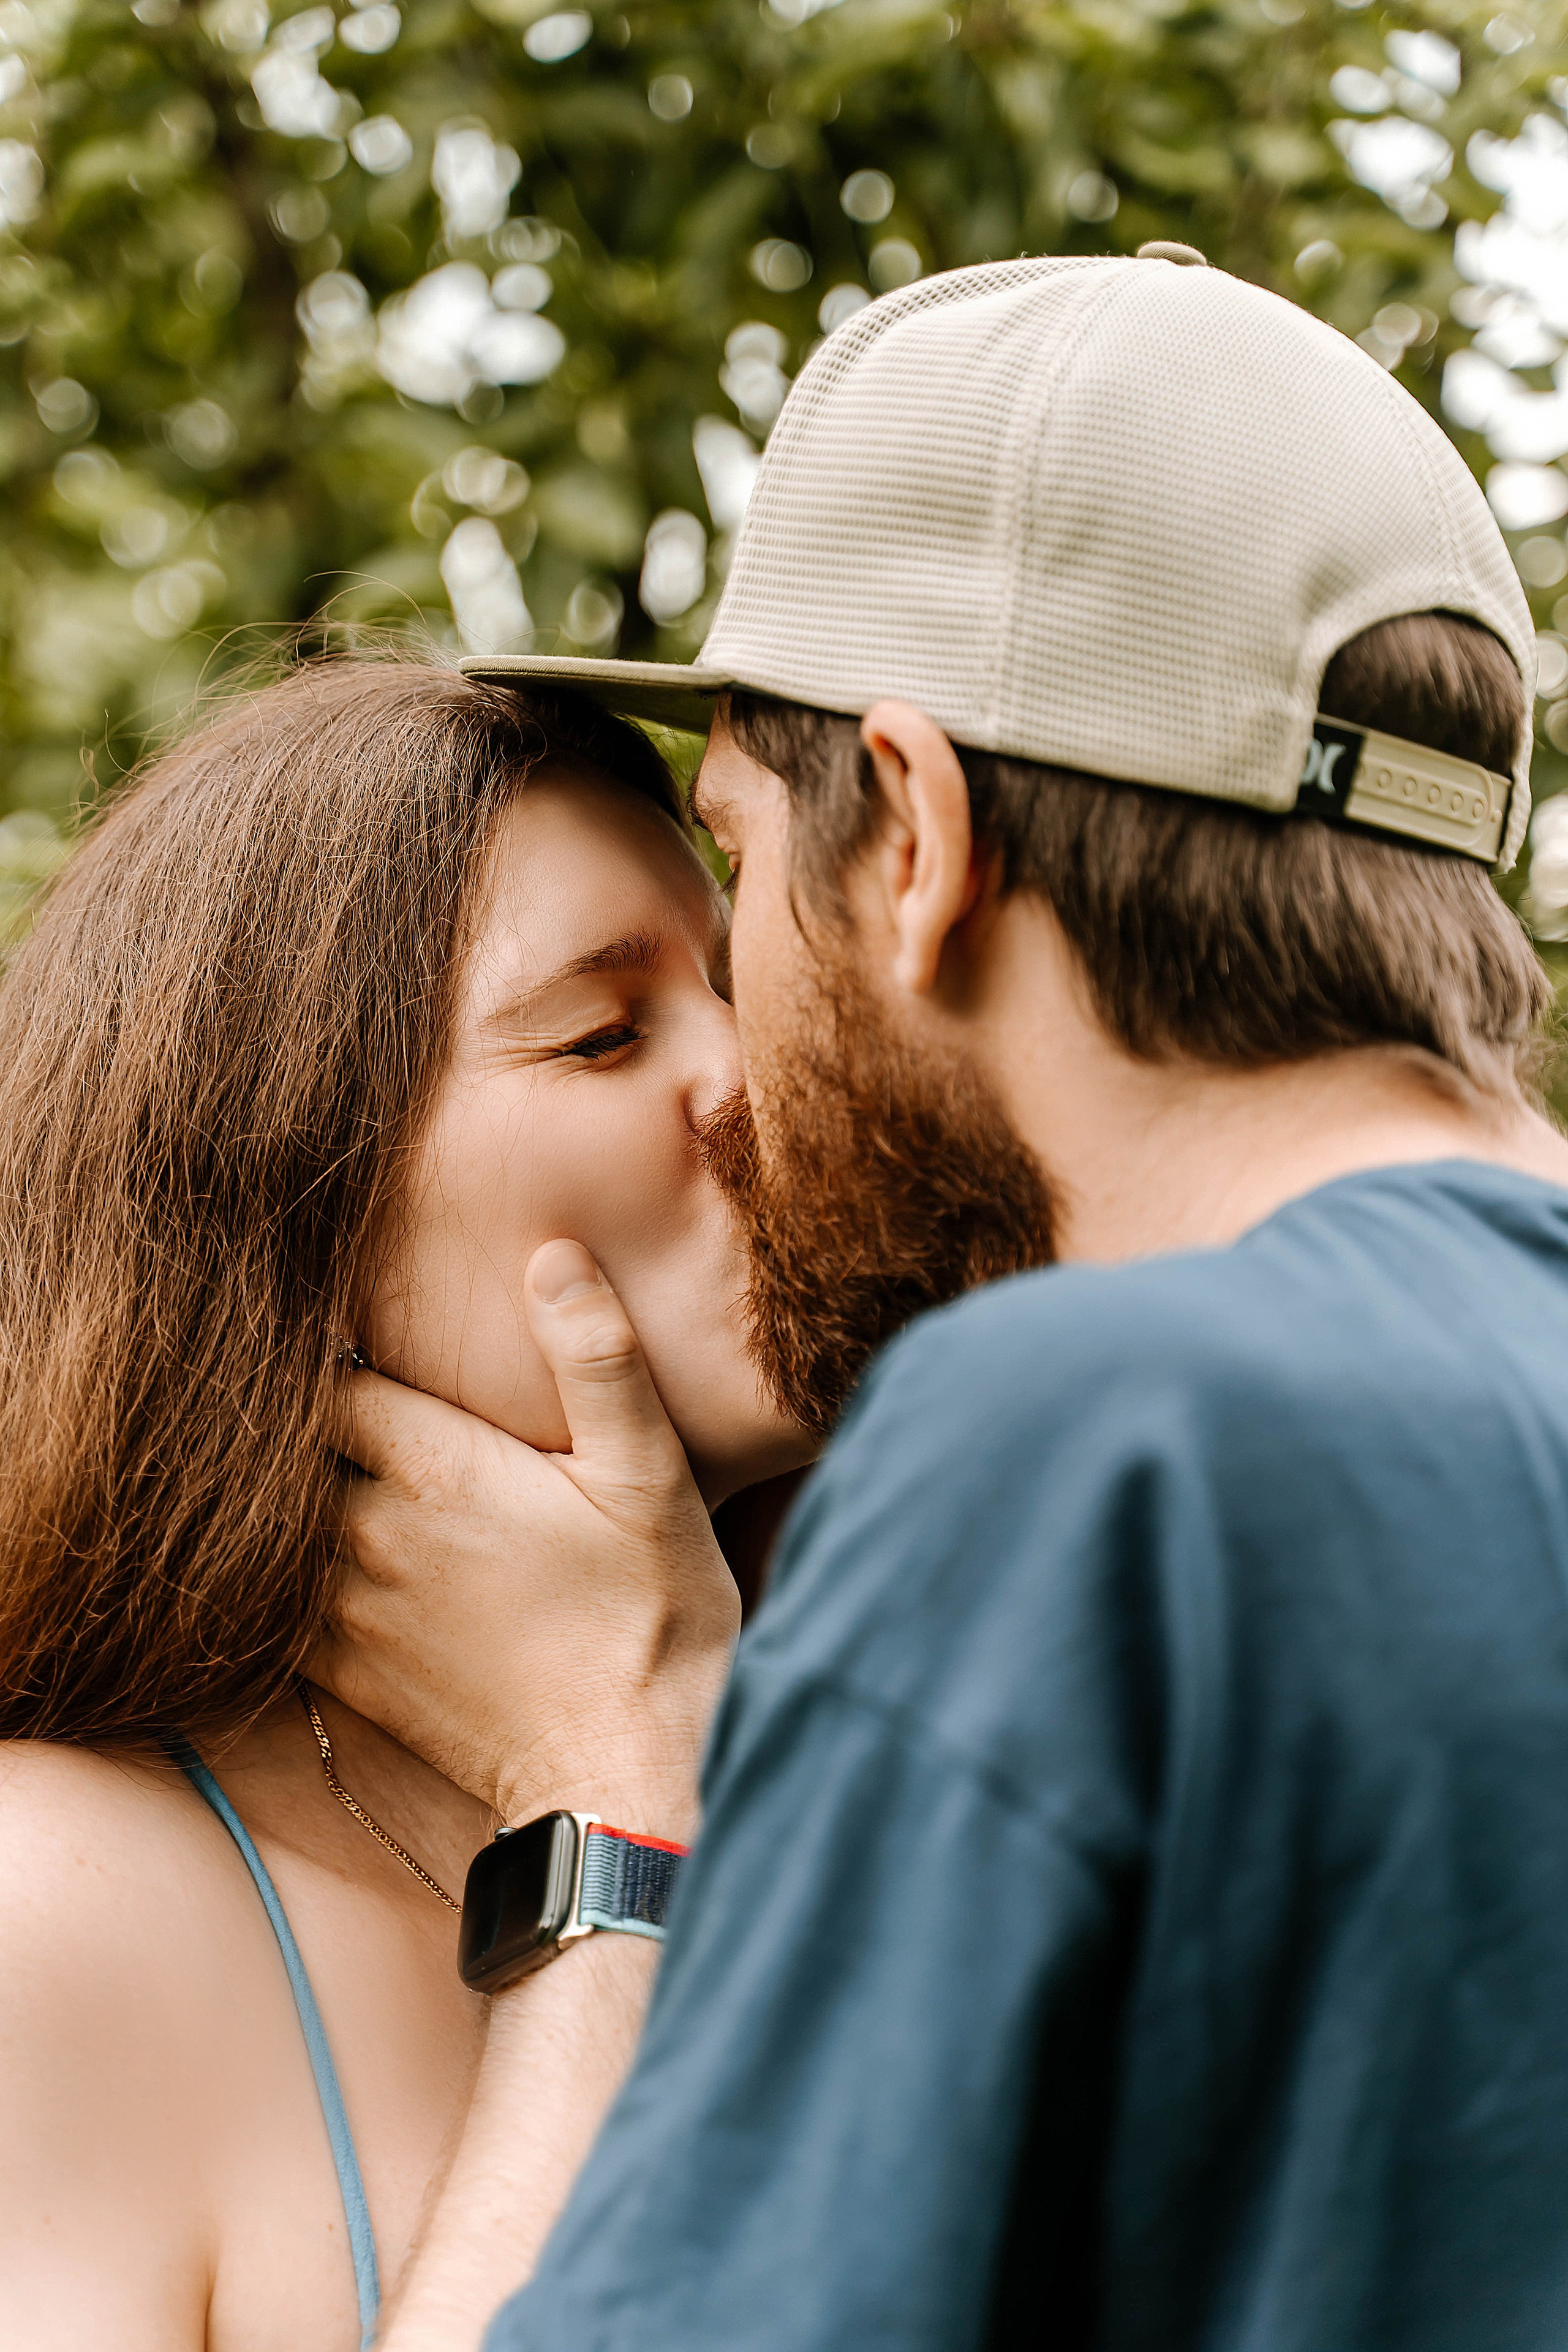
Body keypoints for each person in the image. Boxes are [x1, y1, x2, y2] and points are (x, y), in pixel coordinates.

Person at [318, 253, 1568, 2351]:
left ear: (912, 830)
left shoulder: (1106, 1451)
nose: (737, 1044)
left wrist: (614, 1788)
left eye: (739, 863)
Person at [0, 655, 814, 2350]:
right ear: (280, 1198)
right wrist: (621, 1799)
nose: (758, 1081)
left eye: (745, 990)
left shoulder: (889, 1842)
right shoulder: (51, 1909)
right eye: (604, 1029)